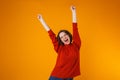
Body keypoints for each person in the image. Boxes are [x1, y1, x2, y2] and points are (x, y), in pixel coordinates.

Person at [37, 6, 81, 80]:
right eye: (61, 37)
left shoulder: (76, 44)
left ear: (69, 35)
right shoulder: (59, 48)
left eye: (65, 35)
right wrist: (41, 20)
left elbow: (75, 28)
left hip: (69, 77)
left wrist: (74, 12)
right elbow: (51, 34)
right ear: (61, 40)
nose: (64, 37)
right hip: (56, 76)